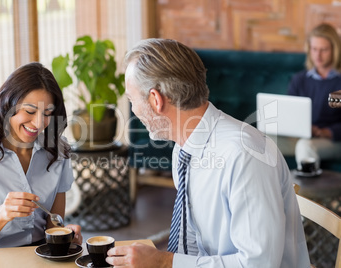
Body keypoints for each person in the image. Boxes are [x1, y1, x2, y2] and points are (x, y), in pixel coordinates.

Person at [106, 39, 310, 267]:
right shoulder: (184, 149)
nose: (133, 110)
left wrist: (164, 262)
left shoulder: (244, 156)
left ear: (156, 99)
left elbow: (258, 264)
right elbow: (193, 243)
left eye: (132, 99)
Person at [0, 62, 82, 249]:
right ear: (7, 103)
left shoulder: (58, 151)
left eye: (47, 113)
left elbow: (53, 224)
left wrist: (66, 235)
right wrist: (3, 213)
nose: (38, 123)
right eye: (30, 111)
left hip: (41, 257)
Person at [288, 23, 341, 171]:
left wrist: (326, 132)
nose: (318, 55)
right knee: (260, 140)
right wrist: (301, 128)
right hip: (302, 135)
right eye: (314, 49)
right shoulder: (299, 79)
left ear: (334, 50)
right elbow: (290, 113)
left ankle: (306, 193)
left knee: (305, 146)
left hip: (333, 139)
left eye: (324, 50)